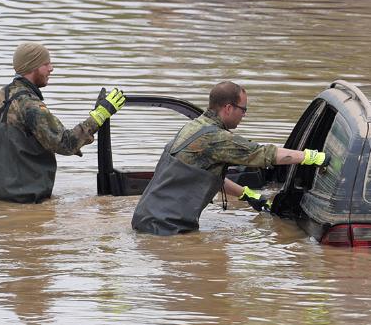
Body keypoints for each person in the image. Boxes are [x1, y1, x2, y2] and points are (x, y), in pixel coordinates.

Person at [132, 81, 328, 236]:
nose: (244, 115)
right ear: (228, 108)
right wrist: (310, 157)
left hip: (146, 220)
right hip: (165, 230)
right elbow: (262, 154)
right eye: (243, 109)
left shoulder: (194, 127)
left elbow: (204, 176)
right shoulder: (216, 138)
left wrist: (247, 194)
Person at [0, 42, 126, 203]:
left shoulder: (2, 96)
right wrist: (100, 114)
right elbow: (66, 143)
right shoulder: (30, 105)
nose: (51, 68)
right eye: (46, 63)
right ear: (32, 66)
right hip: (23, 202)